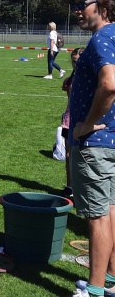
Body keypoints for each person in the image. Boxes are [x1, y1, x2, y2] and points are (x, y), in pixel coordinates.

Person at [51, 0, 115, 297]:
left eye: (83, 3)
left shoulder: (103, 37)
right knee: (111, 209)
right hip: (111, 142)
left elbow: (110, 83)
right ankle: (111, 281)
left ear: (102, 6)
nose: (76, 10)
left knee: (97, 216)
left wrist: (88, 123)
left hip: (97, 143)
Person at [58, 47, 84, 200]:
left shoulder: (88, 77)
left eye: (78, 62)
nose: (75, 65)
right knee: (68, 156)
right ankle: (70, 187)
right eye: (73, 62)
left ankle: (81, 189)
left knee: (80, 156)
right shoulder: (73, 78)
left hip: (80, 122)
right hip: (68, 121)